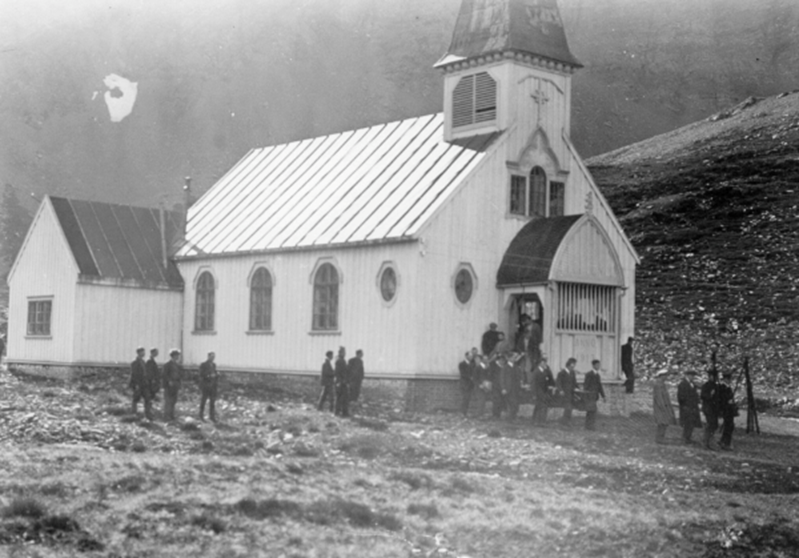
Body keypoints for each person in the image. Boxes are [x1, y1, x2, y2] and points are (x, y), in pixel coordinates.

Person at [677, 369, 702, 444]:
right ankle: (685, 437)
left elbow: (695, 394)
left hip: (692, 406)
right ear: (687, 375)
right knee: (687, 422)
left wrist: (697, 400)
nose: (692, 377)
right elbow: (680, 397)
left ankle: (688, 437)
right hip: (687, 406)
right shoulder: (683, 384)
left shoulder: (692, 384)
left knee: (691, 422)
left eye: (693, 375)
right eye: (691, 375)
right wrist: (685, 405)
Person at [653, 368, 676, 444]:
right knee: (662, 423)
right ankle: (659, 438)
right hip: (661, 407)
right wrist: (663, 408)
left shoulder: (662, 384)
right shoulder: (658, 385)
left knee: (664, 423)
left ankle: (661, 437)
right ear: (661, 376)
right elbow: (659, 398)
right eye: (665, 375)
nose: (666, 377)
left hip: (664, 407)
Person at [130, 346, 153, 420]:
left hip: (144, 383)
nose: (143, 353)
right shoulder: (135, 362)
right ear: (138, 353)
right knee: (136, 399)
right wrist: (136, 384)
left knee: (147, 398)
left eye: (144, 352)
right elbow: (134, 374)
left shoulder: (143, 361)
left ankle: (148, 414)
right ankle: (134, 414)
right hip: (138, 383)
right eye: (142, 352)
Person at [700, 365, 720, 449]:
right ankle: (705, 441)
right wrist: (710, 395)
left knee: (714, 425)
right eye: (713, 376)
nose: (714, 378)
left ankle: (709, 441)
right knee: (710, 424)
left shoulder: (716, 386)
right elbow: (703, 396)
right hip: (708, 408)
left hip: (714, 409)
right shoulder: (706, 385)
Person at [531, 356, 555, 426]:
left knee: (542, 407)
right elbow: (533, 384)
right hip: (538, 393)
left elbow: (550, 380)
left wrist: (550, 386)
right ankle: (538, 421)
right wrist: (534, 394)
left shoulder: (545, 371)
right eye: (543, 362)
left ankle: (539, 421)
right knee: (540, 407)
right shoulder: (536, 372)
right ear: (539, 363)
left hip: (544, 392)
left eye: (545, 362)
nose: (545, 363)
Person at [583, 359, 606, 431]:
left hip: (595, 396)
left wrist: (603, 396)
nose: (598, 366)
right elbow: (586, 386)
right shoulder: (589, 374)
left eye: (599, 365)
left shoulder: (598, 375)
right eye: (597, 365)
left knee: (593, 411)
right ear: (593, 365)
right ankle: (588, 426)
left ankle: (590, 425)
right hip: (589, 396)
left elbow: (599, 386)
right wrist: (587, 395)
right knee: (590, 411)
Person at [162, 349, 183, 421]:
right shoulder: (167, 364)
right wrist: (169, 381)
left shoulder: (178, 365)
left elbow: (179, 375)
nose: (177, 357)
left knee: (174, 400)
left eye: (178, 355)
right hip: (169, 385)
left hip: (175, 384)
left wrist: (179, 384)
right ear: (172, 356)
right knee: (168, 400)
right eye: (176, 355)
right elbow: (164, 375)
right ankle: (166, 416)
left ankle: (171, 415)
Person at [718, 370, 736, 450]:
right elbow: (721, 399)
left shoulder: (728, 387)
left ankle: (723, 440)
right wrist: (727, 401)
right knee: (729, 426)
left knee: (729, 426)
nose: (730, 380)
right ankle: (725, 443)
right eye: (729, 379)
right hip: (725, 409)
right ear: (725, 379)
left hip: (729, 409)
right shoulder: (722, 387)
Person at [556, 357, 578, 426]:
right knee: (568, 407)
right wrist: (561, 390)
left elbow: (574, 382)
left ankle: (566, 420)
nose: (573, 367)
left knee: (570, 407)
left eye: (574, 365)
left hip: (571, 393)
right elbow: (558, 383)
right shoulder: (561, 373)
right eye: (572, 365)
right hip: (564, 394)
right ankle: (565, 421)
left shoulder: (572, 373)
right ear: (568, 365)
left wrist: (577, 388)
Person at [198, 351, 219, 422]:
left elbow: (215, 373)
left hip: (213, 386)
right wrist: (209, 376)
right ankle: (201, 415)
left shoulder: (214, 365)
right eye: (211, 356)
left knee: (212, 402)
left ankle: (212, 416)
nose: (213, 358)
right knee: (203, 400)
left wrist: (216, 375)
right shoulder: (203, 365)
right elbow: (201, 374)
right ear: (208, 356)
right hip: (206, 385)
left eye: (214, 357)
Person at [458, 349, 477, 417]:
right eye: (469, 356)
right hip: (465, 383)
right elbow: (462, 373)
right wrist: (470, 377)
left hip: (470, 384)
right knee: (465, 398)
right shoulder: (462, 364)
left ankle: (465, 412)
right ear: (466, 356)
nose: (471, 357)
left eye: (471, 356)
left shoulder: (472, 364)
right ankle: (462, 412)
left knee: (468, 398)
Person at [334, 347, 351, 417]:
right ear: (340, 353)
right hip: (341, 382)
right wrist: (340, 381)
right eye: (344, 352)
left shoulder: (340, 360)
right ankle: (341, 412)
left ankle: (342, 412)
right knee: (341, 397)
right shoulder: (340, 361)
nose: (345, 353)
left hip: (341, 382)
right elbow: (338, 372)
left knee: (342, 397)